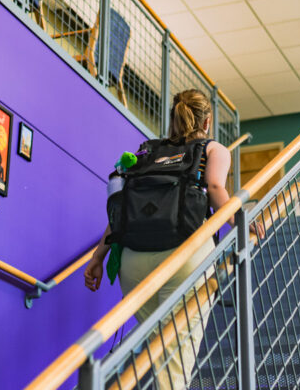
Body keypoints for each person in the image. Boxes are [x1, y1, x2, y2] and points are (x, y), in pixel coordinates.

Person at [84, 89, 262, 389]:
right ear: (206, 122)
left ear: (174, 119)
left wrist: (97, 258)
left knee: (159, 350)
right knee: (175, 365)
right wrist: (241, 222)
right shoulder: (214, 148)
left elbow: (122, 209)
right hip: (184, 258)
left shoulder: (147, 153)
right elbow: (216, 186)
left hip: (133, 264)